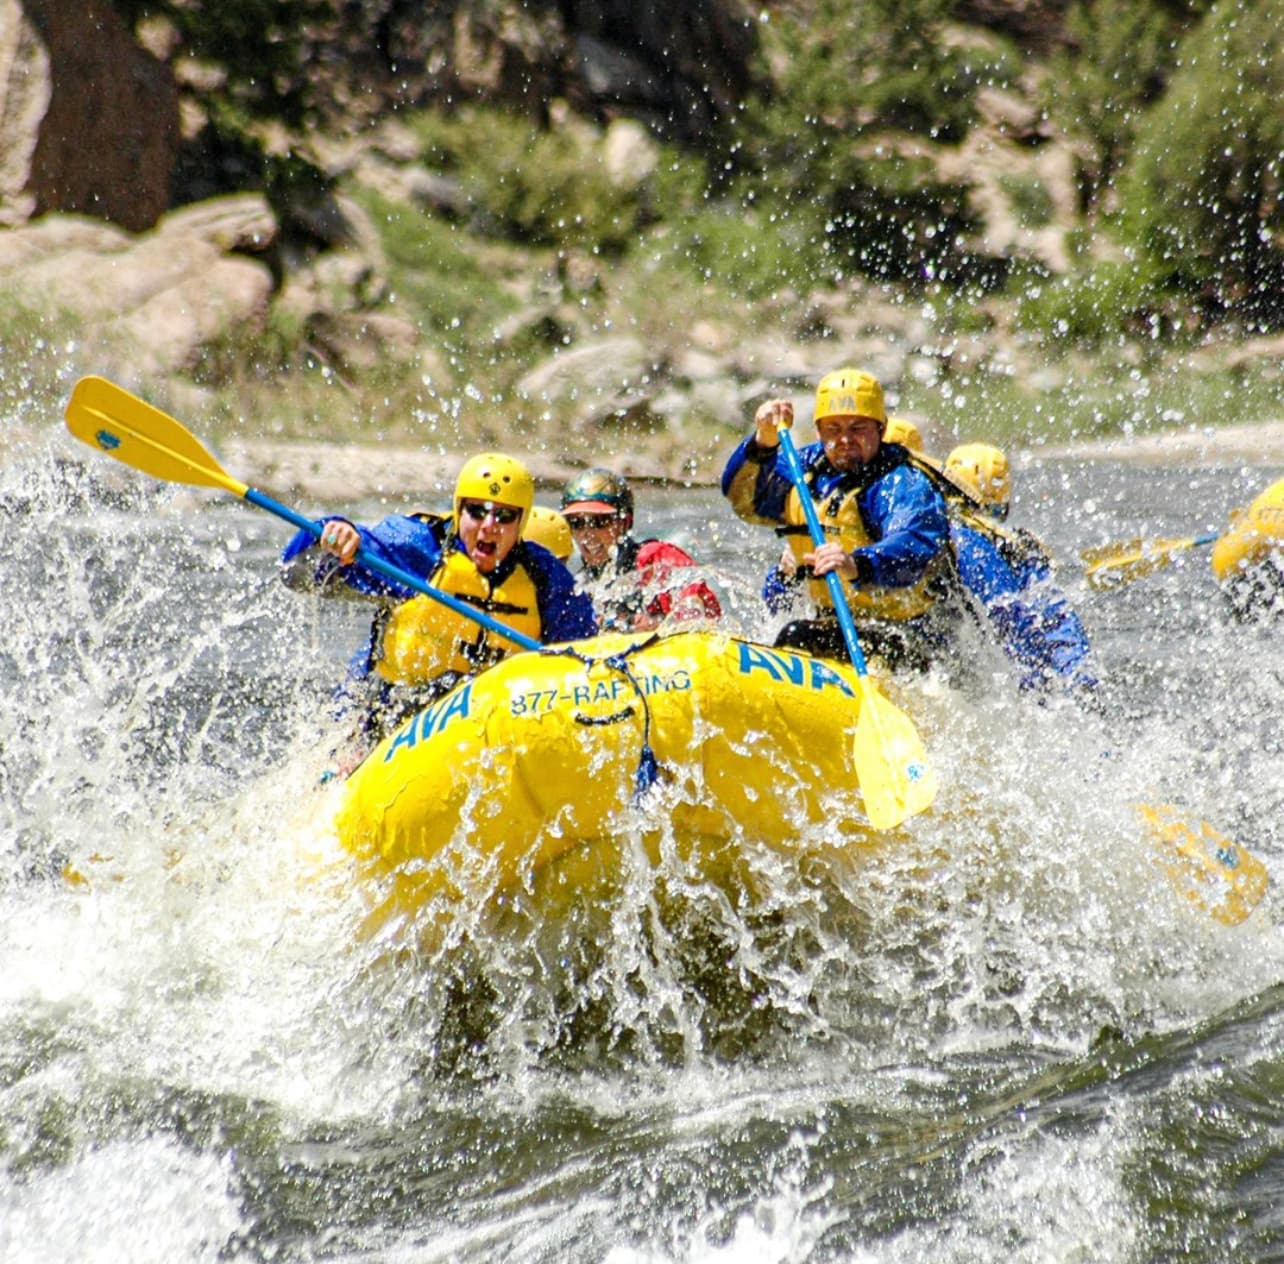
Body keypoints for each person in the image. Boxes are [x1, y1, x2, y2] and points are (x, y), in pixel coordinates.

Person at [282, 452, 596, 744]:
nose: (489, 526)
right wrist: (332, 534)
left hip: (487, 722)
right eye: (477, 511)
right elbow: (295, 572)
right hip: (387, 714)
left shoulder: (544, 576)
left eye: (504, 516)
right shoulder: (420, 547)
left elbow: (583, 653)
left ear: (521, 523)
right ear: (459, 510)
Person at [725, 367, 963, 671]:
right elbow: (745, 497)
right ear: (819, 431)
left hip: (908, 634)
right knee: (794, 632)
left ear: (880, 429)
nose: (845, 439)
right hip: (836, 622)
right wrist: (762, 443)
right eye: (833, 428)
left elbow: (913, 544)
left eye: (858, 428)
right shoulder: (805, 466)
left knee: (796, 637)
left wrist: (856, 563)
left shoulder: (900, 482)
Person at [942, 442, 1097, 696]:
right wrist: (1078, 679)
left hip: (975, 659)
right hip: (1026, 668)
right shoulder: (1019, 545)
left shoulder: (942, 533)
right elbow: (1056, 619)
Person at [560, 468, 723, 631]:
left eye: (600, 521)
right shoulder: (579, 585)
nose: (587, 534)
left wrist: (655, 625)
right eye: (576, 523)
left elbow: (699, 618)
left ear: (625, 522)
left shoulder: (656, 559)